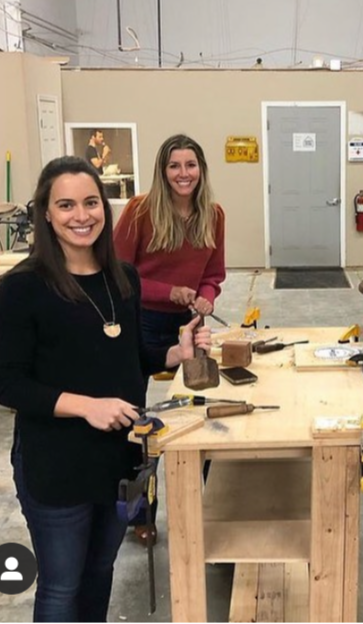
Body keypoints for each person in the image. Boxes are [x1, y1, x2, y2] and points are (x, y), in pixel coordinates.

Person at [0, 155, 211, 622]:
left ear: (104, 207)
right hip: (56, 465)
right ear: (46, 213)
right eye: (66, 205)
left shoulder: (123, 278)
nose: (82, 216)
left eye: (91, 202)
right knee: (61, 587)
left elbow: (130, 357)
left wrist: (174, 355)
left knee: (100, 573)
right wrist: (85, 406)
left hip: (118, 459)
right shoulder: (23, 287)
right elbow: (9, 382)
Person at [113, 133, 225, 543]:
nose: (183, 173)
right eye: (174, 165)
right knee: (136, 421)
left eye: (190, 165)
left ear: (201, 170)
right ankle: (139, 515)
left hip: (188, 324)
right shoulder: (140, 211)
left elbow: (213, 274)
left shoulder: (213, 214)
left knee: (204, 411)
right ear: (163, 171)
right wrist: (168, 291)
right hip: (139, 321)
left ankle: (211, 510)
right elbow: (117, 273)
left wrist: (206, 297)